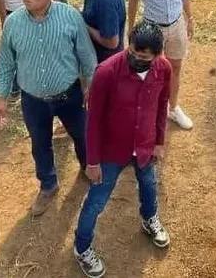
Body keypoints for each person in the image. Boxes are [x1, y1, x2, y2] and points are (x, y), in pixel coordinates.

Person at [0, 0, 97, 217]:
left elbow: (87, 56)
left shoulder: (70, 17)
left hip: (69, 95)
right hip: (33, 99)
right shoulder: (13, 22)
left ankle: (88, 169)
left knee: (82, 136)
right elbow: (5, 62)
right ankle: (48, 185)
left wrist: (90, 87)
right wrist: (1, 98)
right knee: (40, 144)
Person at [73, 22, 172, 277]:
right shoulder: (106, 72)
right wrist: (92, 162)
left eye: (145, 58)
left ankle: (149, 219)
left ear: (158, 55)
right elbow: (92, 122)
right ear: (129, 46)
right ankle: (82, 247)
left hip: (145, 145)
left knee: (149, 186)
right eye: (135, 54)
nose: (139, 60)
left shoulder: (163, 69)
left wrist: (159, 142)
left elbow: (162, 106)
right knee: (96, 201)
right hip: (110, 151)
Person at [128, 0, 196, 130]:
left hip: (176, 25)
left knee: (176, 66)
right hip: (152, 28)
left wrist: (189, 18)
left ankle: (173, 108)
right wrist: (131, 28)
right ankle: (147, 110)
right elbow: (133, 0)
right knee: (148, 70)